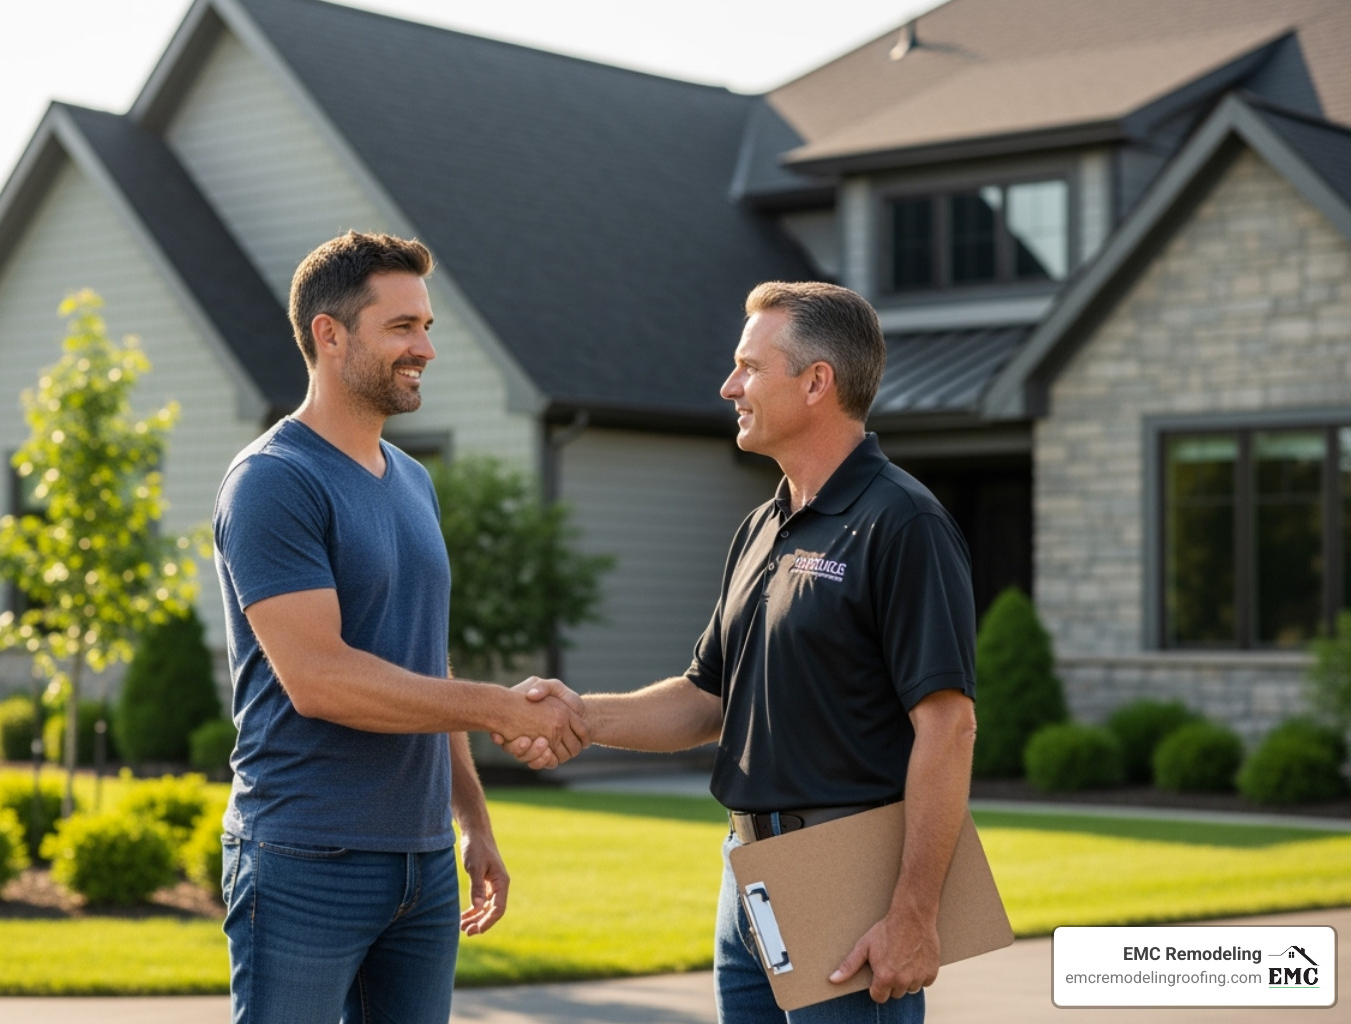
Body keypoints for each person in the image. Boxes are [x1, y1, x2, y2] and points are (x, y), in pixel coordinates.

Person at [505, 281, 977, 1023]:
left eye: (750, 367)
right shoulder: (762, 526)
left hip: (844, 875)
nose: (729, 387)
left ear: (817, 381)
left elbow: (948, 728)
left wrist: (915, 915)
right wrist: (576, 714)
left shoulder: (903, 523)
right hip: (746, 876)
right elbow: (708, 700)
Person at [212, 230, 588, 1024]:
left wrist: (472, 821)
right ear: (329, 334)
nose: (426, 347)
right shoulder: (273, 483)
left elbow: (426, 661)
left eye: (427, 326)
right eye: (403, 327)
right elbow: (319, 680)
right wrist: (495, 707)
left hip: (420, 865)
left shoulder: (413, 480)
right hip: (306, 856)